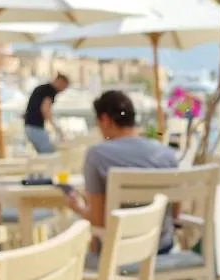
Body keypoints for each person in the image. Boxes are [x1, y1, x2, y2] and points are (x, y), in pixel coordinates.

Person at [72, 89, 178, 253]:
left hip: (118, 254)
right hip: (161, 249)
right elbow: (175, 214)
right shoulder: (167, 154)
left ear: (105, 120)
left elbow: (98, 221)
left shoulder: (97, 156)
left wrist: (77, 207)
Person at [23, 72, 69, 153]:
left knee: (44, 152)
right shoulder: (49, 90)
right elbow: (45, 108)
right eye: (64, 87)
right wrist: (54, 126)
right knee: (49, 154)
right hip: (35, 127)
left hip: (30, 126)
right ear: (60, 82)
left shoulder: (43, 88)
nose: (63, 90)